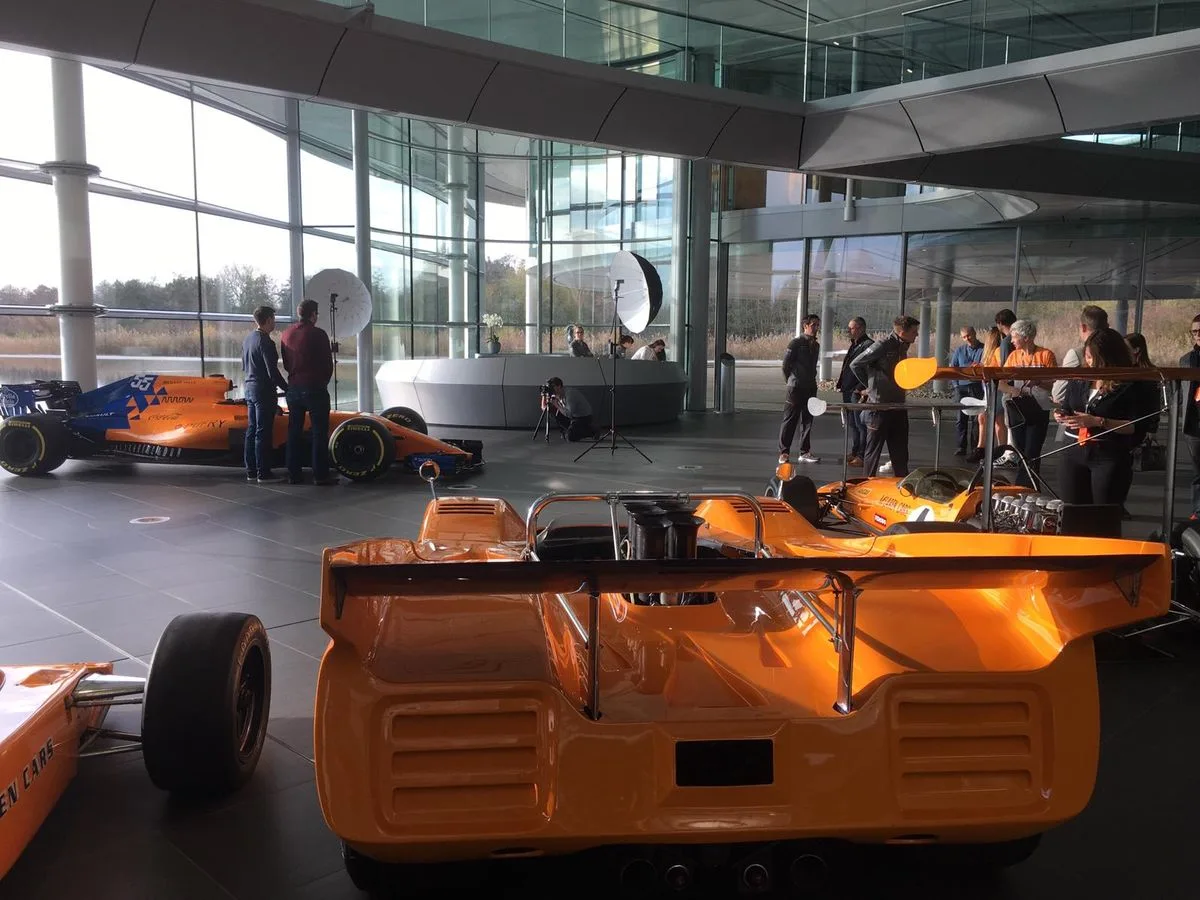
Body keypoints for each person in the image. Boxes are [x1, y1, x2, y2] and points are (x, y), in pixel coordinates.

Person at [1056, 327, 1157, 507]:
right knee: (1072, 514)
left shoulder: (1131, 384)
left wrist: (1099, 422)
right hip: (1072, 451)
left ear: (1110, 357)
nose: (1090, 362)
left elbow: (1137, 425)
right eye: (1087, 356)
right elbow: (1067, 407)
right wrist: (1061, 414)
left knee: (1104, 516)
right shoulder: (1080, 377)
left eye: (1094, 357)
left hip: (1109, 454)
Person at [852, 315, 920, 478]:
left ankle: (902, 488)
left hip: (898, 406)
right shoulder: (883, 344)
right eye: (914, 331)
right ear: (902, 332)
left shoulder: (903, 346)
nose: (916, 335)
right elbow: (855, 364)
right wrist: (871, 386)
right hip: (879, 407)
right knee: (873, 452)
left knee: (900, 453)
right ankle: (866, 484)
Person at [281, 298, 337, 486]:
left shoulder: (286, 334)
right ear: (313, 315)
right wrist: (322, 382)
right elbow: (327, 364)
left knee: (294, 431)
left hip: (294, 387)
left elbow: (287, 363)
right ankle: (320, 475)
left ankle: (293, 474)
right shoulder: (318, 334)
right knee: (319, 432)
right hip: (314, 387)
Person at [998, 319, 1057, 488]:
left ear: (1026, 337)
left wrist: (1038, 382)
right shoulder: (1013, 356)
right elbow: (1001, 383)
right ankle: (1026, 487)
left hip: (1039, 409)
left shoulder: (1046, 355)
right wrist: (1014, 391)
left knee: (1032, 451)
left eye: (1014, 336)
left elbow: (1053, 382)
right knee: (1021, 452)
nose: (1012, 340)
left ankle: (1025, 487)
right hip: (1018, 408)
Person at [241, 305, 289, 483]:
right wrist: (287, 388)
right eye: (273, 319)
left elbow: (245, 366)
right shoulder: (266, 342)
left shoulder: (248, 339)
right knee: (263, 432)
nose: (274, 322)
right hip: (263, 392)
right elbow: (272, 372)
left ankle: (251, 471)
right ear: (268, 320)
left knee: (252, 430)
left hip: (249, 388)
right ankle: (264, 473)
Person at [778, 314, 821, 464]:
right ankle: (784, 452)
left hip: (810, 387)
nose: (816, 328)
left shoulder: (816, 345)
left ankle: (805, 451)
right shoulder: (795, 343)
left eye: (817, 325)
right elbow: (785, 365)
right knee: (790, 420)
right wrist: (789, 380)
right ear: (805, 326)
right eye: (813, 325)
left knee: (808, 420)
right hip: (795, 387)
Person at [834, 316, 873, 466]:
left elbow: (868, 370)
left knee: (860, 424)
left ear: (861, 328)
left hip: (857, 391)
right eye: (849, 328)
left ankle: (862, 456)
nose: (848, 331)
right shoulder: (855, 344)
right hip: (848, 390)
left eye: (852, 328)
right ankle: (856, 451)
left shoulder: (867, 345)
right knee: (852, 424)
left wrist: (860, 388)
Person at [967, 326, 1006, 463]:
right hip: (990, 388)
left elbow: (995, 369)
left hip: (997, 388)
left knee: (994, 419)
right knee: (988, 418)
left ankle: (996, 450)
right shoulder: (991, 353)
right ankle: (987, 449)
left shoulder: (997, 352)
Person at [949, 325, 984, 456]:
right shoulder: (959, 351)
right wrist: (956, 387)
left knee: (977, 419)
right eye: (964, 337)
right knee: (960, 418)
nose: (967, 339)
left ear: (974, 334)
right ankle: (961, 446)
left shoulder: (984, 349)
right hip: (962, 388)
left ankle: (975, 447)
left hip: (977, 387)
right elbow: (953, 369)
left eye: (969, 335)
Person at [1180, 314, 1200, 520]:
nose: (1198, 335)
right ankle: (1198, 511)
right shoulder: (1187, 359)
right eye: (1194, 331)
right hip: (1194, 422)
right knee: (1198, 470)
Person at [543, 376, 594, 441]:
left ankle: (592, 431)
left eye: (552, 387)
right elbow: (544, 408)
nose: (551, 389)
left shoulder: (570, 394)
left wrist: (556, 404)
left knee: (570, 437)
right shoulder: (556, 395)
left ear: (559, 386)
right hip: (573, 417)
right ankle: (572, 429)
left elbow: (569, 414)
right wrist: (544, 396)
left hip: (583, 417)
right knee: (551, 411)